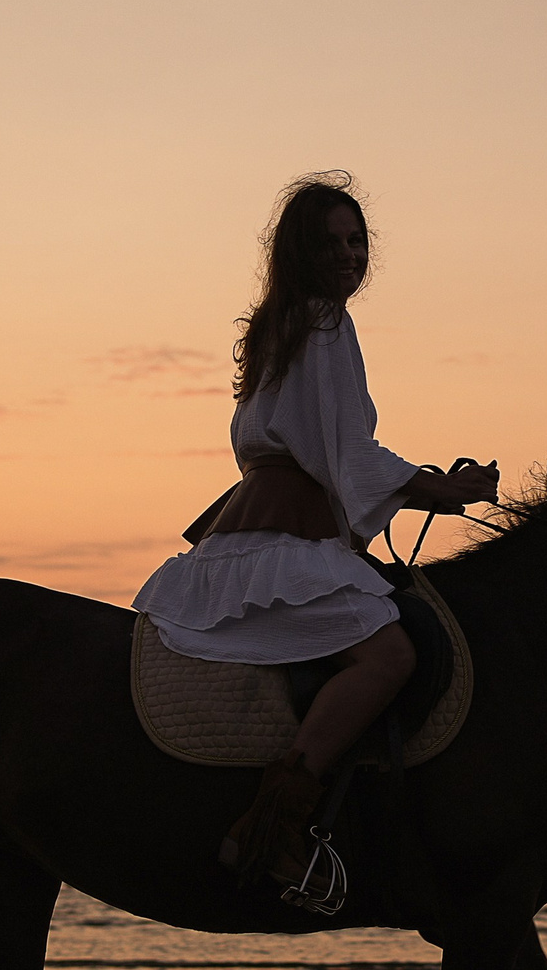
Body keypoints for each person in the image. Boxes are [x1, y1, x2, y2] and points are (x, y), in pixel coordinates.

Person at [133, 174, 497, 899]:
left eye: (356, 241)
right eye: (330, 242)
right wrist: (439, 486)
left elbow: (321, 450)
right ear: (299, 251)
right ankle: (277, 826)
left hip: (254, 525)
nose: (347, 255)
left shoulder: (279, 325)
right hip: (285, 532)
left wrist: (419, 487)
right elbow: (347, 454)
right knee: (389, 654)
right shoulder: (325, 322)